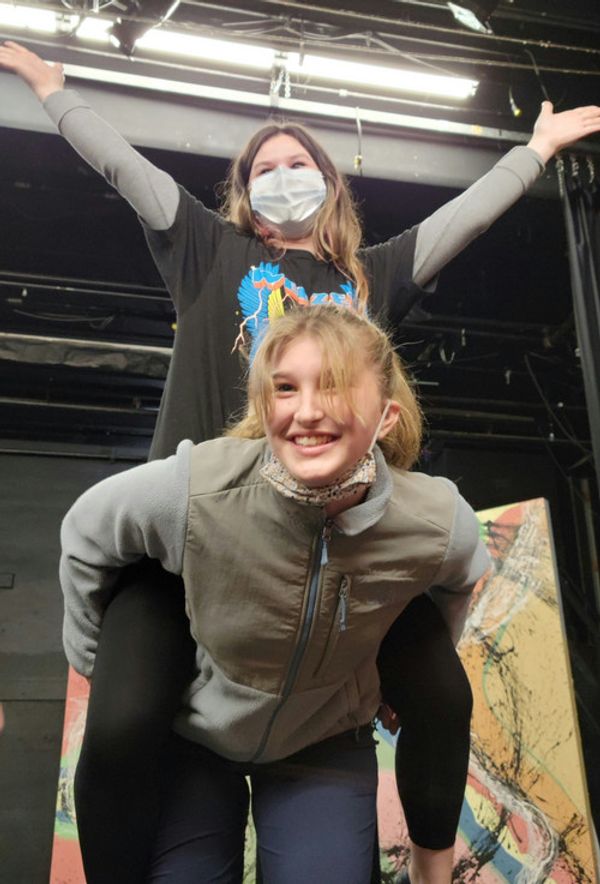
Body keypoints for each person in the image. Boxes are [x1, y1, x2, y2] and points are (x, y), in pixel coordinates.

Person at [1, 39, 599, 884]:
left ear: (329, 179)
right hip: (196, 539)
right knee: (126, 721)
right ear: (243, 194)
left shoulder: (370, 278)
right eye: (263, 167)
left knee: (439, 692)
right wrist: (52, 90)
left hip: (340, 540)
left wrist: (533, 154)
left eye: (298, 160)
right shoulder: (208, 251)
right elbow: (123, 168)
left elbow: (463, 219)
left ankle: (432, 862)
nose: (282, 174)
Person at [60, 305, 491, 884]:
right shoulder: (197, 489)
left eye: (333, 386)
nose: (307, 411)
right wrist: (97, 665)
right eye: (285, 389)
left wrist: (398, 661)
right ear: (265, 406)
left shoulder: (436, 520)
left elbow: (458, 582)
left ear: (386, 416)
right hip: (198, 731)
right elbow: (86, 533)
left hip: (322, 733)